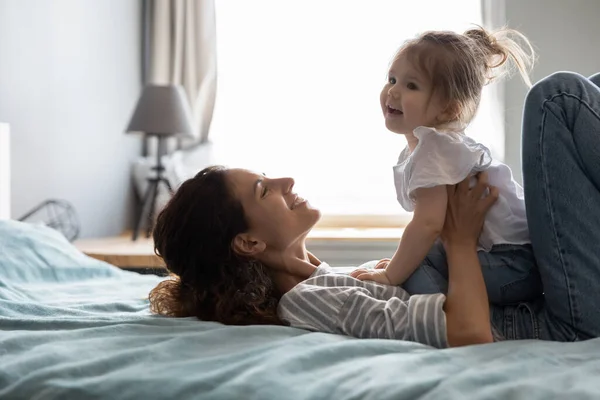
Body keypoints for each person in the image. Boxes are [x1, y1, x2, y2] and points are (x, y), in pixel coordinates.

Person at [149, 70, 600, 346]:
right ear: (248, 242)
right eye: (265, 190)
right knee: (559, 99)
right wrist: (458, 242)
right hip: (556, 321)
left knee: (588, 91)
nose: (286, 182)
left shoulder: (324, 280)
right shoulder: (309, 302)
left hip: (550, 298)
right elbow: (468, 333)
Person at [350, 26, 542, 307]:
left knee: (412, 268)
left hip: (513, 266)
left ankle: (453, 319)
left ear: (449, 110)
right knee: (414, 260)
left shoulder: (436, 149)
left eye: (411, 85)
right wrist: (397, 265)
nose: (393, 91)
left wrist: (392, 274)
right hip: (514, 263)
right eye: (392, 79)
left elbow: (427, 225)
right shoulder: (433, 146)